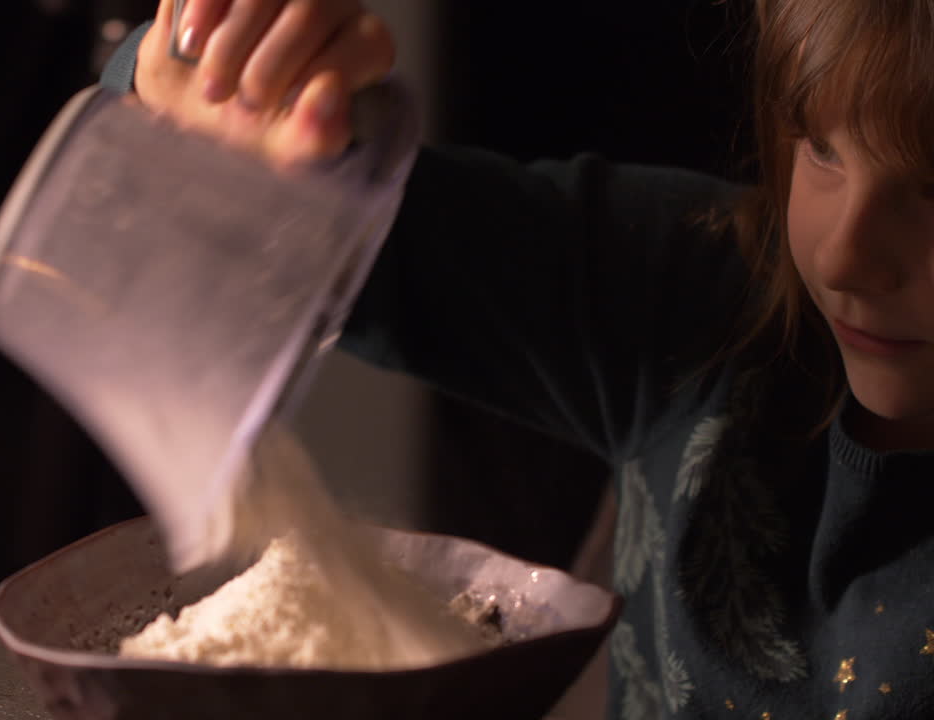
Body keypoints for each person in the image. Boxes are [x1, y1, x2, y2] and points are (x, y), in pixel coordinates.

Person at [101, 1, 934, 717]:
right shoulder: (700, 294)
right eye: (823, 148)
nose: (845, 258)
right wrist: (206, 74)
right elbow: (324, 223)